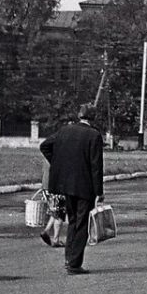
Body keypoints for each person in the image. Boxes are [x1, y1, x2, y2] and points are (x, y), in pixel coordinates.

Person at [39, 103, 105, 275]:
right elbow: (96, 166)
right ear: (93, 117)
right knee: (81, 223)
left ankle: (69, 258)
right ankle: (74, 263)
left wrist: (60, 163)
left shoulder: (64, 130)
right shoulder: (94, 135)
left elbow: (44, 146)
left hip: (64, 184)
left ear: (79, 115)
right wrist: (99, 192)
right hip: (85, 187)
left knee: (73, 220)